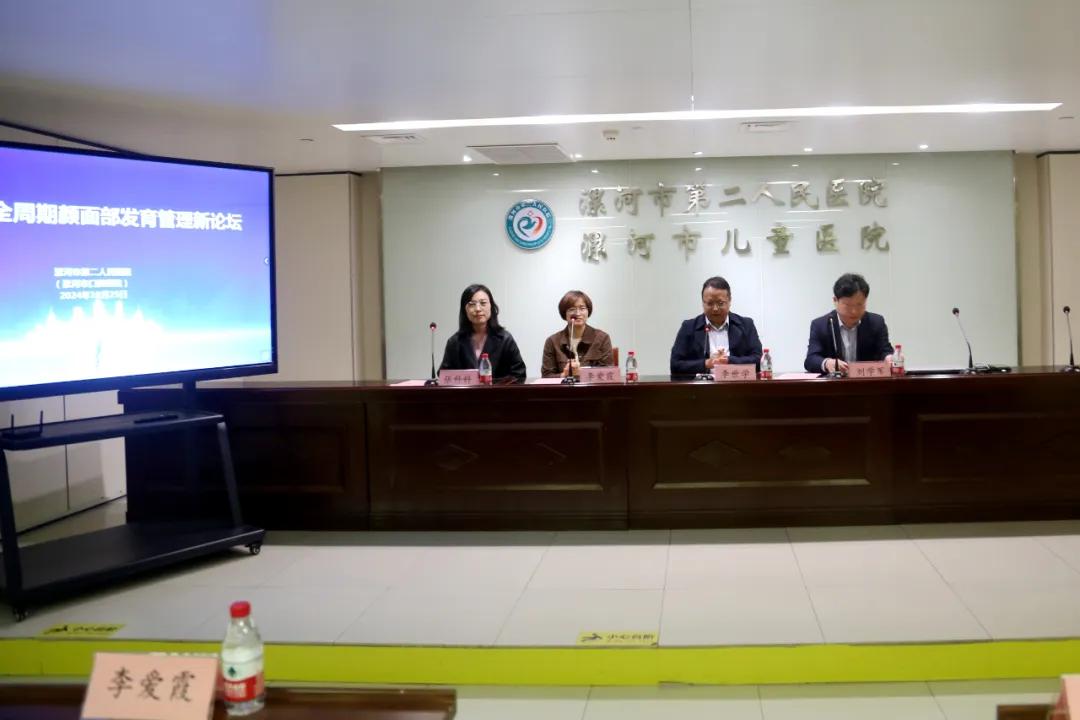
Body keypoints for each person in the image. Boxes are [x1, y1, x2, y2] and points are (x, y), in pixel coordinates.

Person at [670, 276, 763, 378]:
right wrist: (706, 363)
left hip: (737, 385)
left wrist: (729, 360)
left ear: (729, 301)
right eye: (710, 303)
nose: (715, 308)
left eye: (720, 303)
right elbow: (675, 365)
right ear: (703, 303)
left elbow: (758, 360)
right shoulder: (689, 327)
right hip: (701, 386)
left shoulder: (746, 325)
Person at [804, 272, 894, 374]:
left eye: (859, 305)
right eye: (848, 305)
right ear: (835, 301)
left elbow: (885, 351)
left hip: (867, 381)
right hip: (834, 383)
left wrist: (890, 358)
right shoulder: (820, 325)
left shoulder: (876, 323)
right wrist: (827, 363)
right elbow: (811, 359)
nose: (854, 311)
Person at [439, 283, 527, 383]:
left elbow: (519, 374)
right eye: (472, 304)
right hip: (465, 393)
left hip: (498, 393)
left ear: (491, 306)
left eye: (483, 303)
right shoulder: (454, 342)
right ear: (464, 309)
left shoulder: (505, 339)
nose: (478, 309)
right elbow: (444, 377)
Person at [540, 290, 614, 378]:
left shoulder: (602, 338)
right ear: (564, 313)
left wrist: (582, 373)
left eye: (582, 308)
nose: (578, 313)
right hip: (564, 387)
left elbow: (609, 374)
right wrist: (564, 375)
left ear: (588, 311)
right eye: (572, 309)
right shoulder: (552, 341)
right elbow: (546, 376)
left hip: (592, 387)